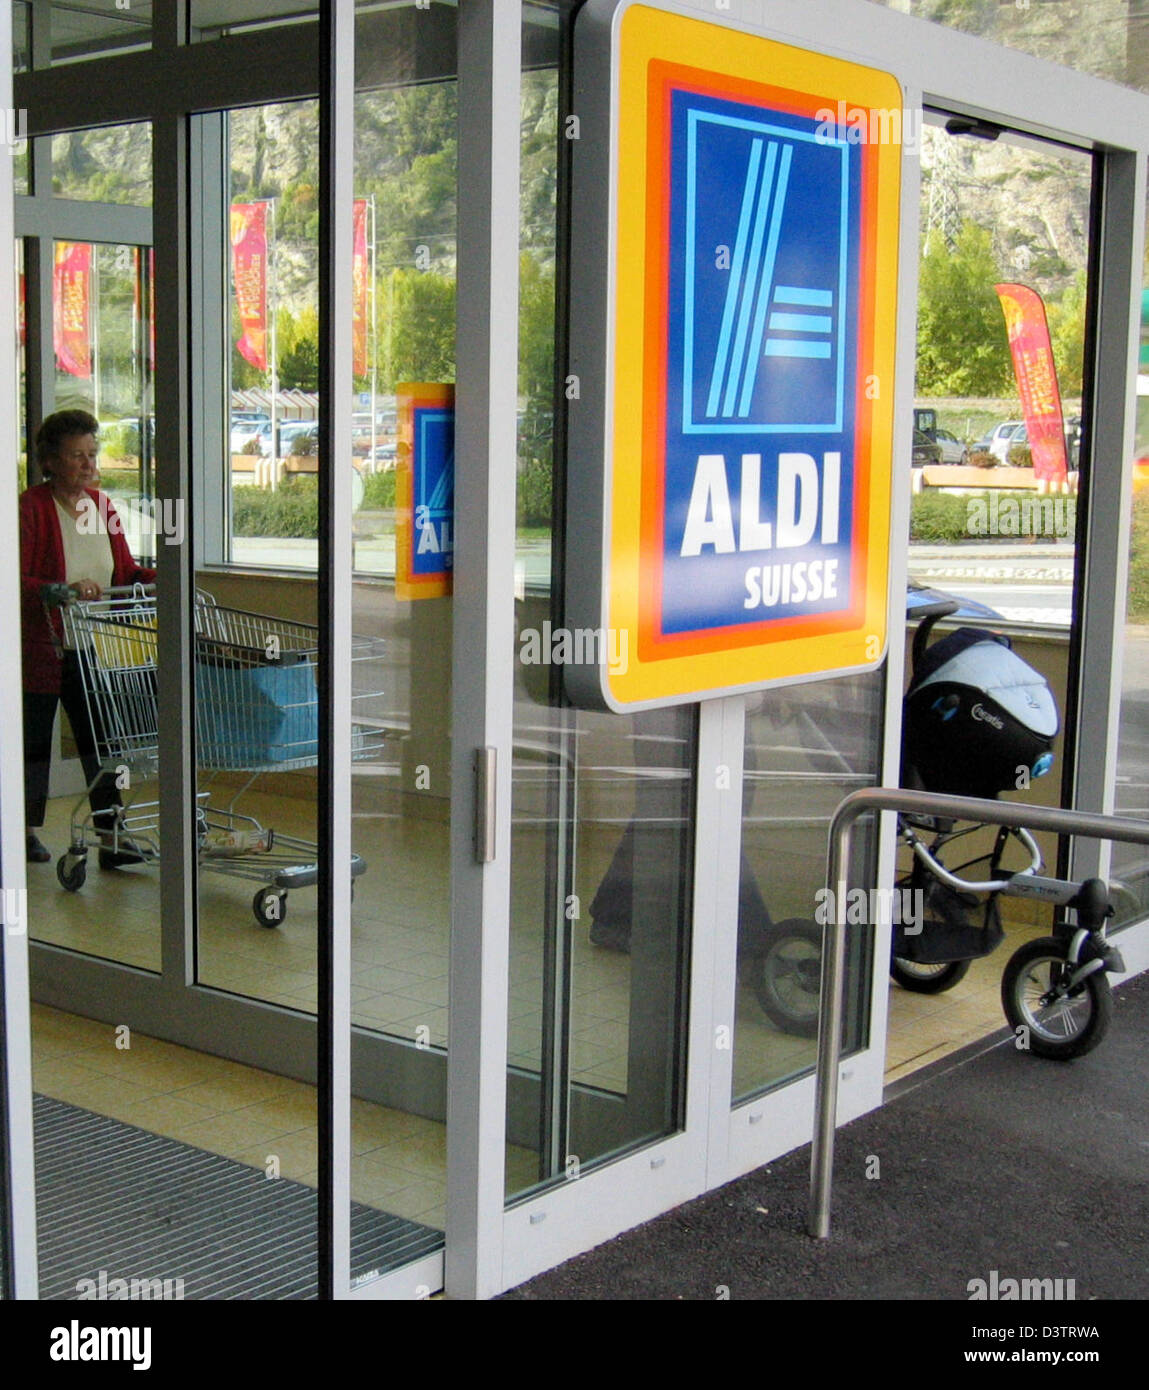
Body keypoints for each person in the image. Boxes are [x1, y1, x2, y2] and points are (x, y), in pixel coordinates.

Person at [21, 410, 156, 866]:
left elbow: (125, 568)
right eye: (76, 456)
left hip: (94, 645)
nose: (87, 464)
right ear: (51, 461)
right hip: (43, 647)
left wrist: (163, 576)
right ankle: (23, 830)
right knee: (34, 743)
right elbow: (14, 577)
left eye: (92, 454)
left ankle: (111, 835)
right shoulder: (31, 508)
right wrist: (57, 590)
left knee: (105, 743)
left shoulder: (102, 507)